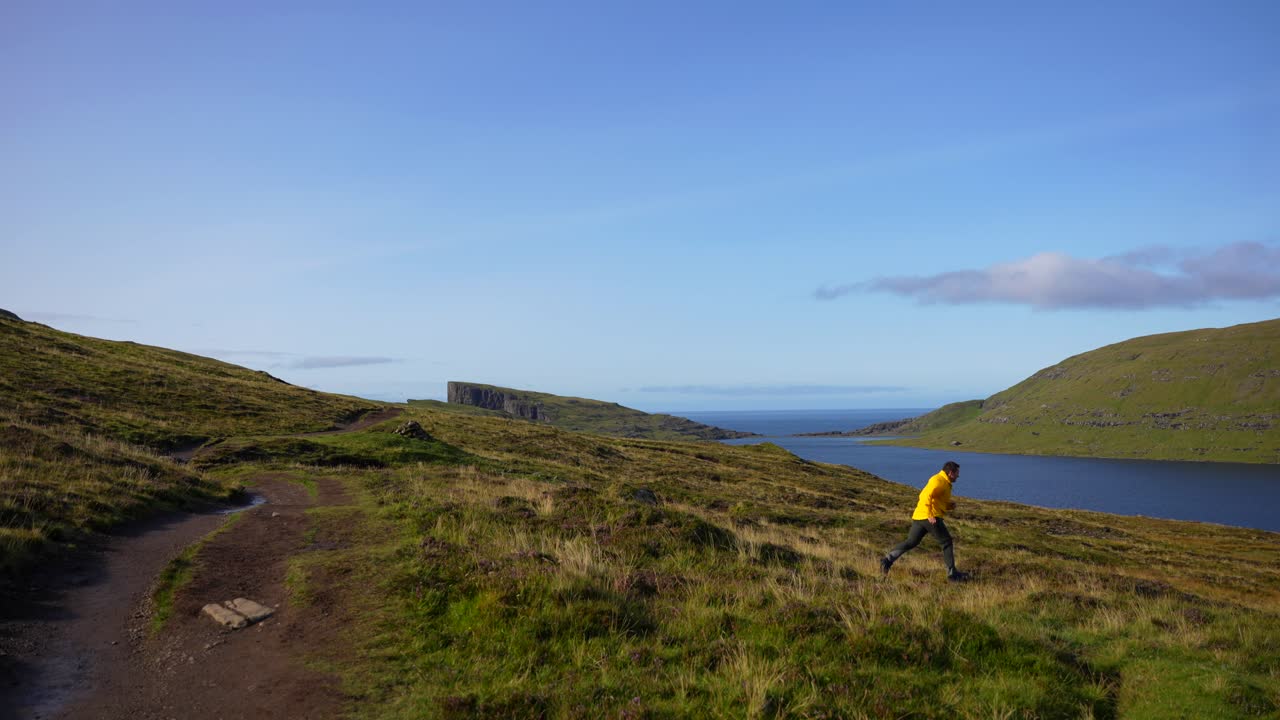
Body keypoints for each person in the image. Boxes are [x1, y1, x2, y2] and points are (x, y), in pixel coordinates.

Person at [879, 461, 969, 582]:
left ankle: (887, 561)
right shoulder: (939, 480)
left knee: (911, 542)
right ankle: (952, 574)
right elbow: (925, 495)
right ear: (951, 472)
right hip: (930, 517)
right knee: (946, 542)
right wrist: (930, 515)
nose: (958, 476)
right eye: (957, 473)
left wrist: (948, 505)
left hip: (920, 517)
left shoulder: (943, 481)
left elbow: (936, 500)